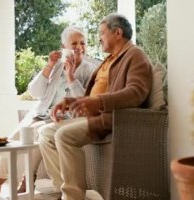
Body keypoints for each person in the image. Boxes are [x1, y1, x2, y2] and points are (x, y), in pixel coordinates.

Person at [38, 13, 153, 200]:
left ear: (117, 33)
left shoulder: (134, 55)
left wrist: (99, 102)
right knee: (45, 134)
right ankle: (67, 192)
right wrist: (71, 103)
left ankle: (72, 197)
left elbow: (136, 92)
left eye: (102, 32)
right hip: (92, 115)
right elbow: (91, 96)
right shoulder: (108, 60)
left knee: (63, 135)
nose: (99, 38)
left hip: (110, 118)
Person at [0, 25, 97, 195]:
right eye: (74, 43)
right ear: (64, 48)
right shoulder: (56, 67)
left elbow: (84, 101)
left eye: (83, 43)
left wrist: (71, 77)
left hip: (62, 118)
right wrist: (49, 66)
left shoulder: (89, 70)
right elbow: (34, 92)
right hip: (39, 113)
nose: (79, 47)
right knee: (13, 137)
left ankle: (27, 178)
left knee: (37, 132)